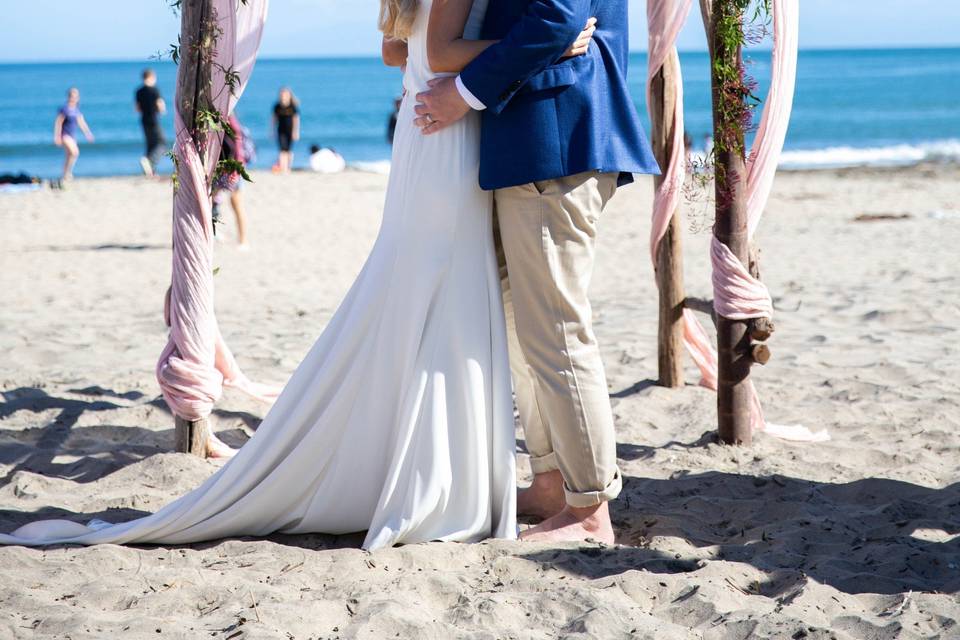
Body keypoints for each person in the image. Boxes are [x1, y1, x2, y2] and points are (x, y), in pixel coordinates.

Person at [0, 1, 625, 552]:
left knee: (540, 327)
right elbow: (460, 43)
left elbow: (533, 24)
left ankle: (584, 505)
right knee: (508, 321)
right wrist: (474, 74)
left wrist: (464, 82)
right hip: (472, 144)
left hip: (504, 141)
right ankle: (546, 483)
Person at [413, 0, 660, 543]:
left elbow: (560, 17)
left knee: (556, 331)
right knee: (524, 326)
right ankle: (552, 480)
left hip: (556, 133)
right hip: (528, 140)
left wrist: (461, 94)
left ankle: (591, 506)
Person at [212, 114, 250, 249]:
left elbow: (236, 149)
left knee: (236, 203)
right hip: (220, 167)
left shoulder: (230, 122)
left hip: (232, 168)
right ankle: (213, 232)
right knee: (211, 201)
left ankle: (243, 240)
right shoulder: (221, 119)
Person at [53, 88, 94, 181]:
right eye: (72, 95)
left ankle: (65, 174)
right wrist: (57, 136)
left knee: (69, 155)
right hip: (64, 135)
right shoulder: (65, 108)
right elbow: (58, 122)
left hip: (72, 136)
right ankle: (67, 173)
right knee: (74, 152)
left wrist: (88, 133)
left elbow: (81, 122)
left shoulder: (76, 109)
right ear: (68, 96)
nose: (74, 97)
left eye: (76, 96)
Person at [135, 69, 167, 176]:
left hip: (144, 120)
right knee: (162, 143)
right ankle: (150, 161)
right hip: (153, 119)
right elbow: (160, 105)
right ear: (151, 77)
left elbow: (137, 109)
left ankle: (151, 172)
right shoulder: (155, 90)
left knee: (150, 145)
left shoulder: (138, 91)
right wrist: (162, 111)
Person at [272, 87, 300, 173]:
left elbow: (296, 120)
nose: (284, 96)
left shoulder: (293, 106)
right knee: (282, 150)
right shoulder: (277, 106)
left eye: (286, 94)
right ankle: (283, 168)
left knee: (288, 150)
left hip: (290, 131)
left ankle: (288, 167)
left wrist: (296, 132)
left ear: (289, 95)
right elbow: (273, 119)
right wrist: (272, 131)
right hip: (280, 131)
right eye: (282, 94)